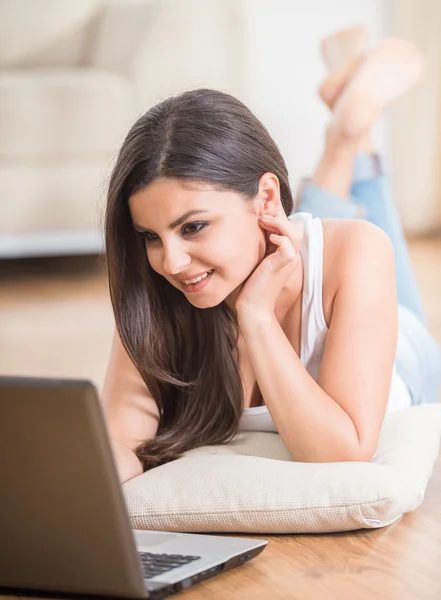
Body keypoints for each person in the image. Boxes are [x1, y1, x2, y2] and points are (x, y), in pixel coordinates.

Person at [101, 26, 441, 484]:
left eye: (193, 226)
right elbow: (121, 445)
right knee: (287, 234)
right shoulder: (154, 293)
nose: (171, 262)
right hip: (276, 241)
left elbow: (342, 457)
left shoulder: (357, 251)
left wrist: (256, 317)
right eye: (150, 236)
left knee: (354, 241)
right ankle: (349, 126)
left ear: (263, 196)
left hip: (406, 354)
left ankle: (351, 132)